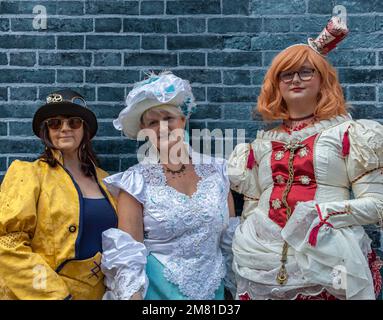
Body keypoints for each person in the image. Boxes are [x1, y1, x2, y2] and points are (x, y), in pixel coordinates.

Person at [228, 16, 383, 300]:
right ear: (276, 84)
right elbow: (250, 207)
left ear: (323, 80)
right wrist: (247, 236)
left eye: (306, 72)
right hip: (262, 261)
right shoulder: (261, 144)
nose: (296, 79)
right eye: (286, 74)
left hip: (329, 254)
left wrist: (323, 215)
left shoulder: (351, 134)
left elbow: (378, 205)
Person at [100, 71, 239, 300]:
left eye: (168, 119)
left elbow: (228, 243)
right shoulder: (135, 182)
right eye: (152, 122)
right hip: (158, 294)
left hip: (213, 294)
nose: (161, 127)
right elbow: (129, 255)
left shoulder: (218, 173)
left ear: (183, 120)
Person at [0, 89, 117, 300]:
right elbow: (8, 244)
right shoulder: (27, 173)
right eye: (54, 123)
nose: (64, 128)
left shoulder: (106, 180)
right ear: (46, 130)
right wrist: (57, 296)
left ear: (85, 129)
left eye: (74, 122)